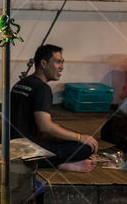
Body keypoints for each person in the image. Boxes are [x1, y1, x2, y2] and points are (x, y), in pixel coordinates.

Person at [10, 44, 98, 172]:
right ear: (44, 63)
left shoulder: (22, 83)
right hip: (27, 153)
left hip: (9, 146)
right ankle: (60, 164)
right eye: (58, 62)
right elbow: (45, 126)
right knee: (85, 147)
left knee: (65, 134)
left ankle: (57, 161)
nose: (61, 67)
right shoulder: (42, 88)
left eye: (62, 62)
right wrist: (80, 137)